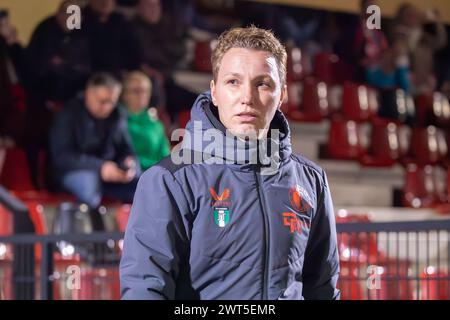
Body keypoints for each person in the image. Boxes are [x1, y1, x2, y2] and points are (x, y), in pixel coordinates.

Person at [120, 26, 340, 300]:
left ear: (281, 95)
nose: (247, 97)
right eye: (233, 82)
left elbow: (322, 288)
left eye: (262, 83)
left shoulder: (311, 180)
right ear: (214, 91)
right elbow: (145, 289)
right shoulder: (169, 179)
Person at [49, 72, 139, 229]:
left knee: (144, 183)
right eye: (102, 101)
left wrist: (129, 163)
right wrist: (100, 167)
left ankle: (135, 239)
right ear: (88, 94)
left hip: (110, 174)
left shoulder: (117, 115)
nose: (106, 107)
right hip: (74, 171)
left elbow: (127, 150)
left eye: (111, 102)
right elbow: (62, 157)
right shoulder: (68, 115)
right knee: (89, 185)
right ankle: (91, 242)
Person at [121, 71, 170, 171]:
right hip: (132, 174)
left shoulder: (155, 122)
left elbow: (165, 154)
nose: (142, 95)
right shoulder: (119, 120)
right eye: (136, 91)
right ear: (124, 94)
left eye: (146, 91)